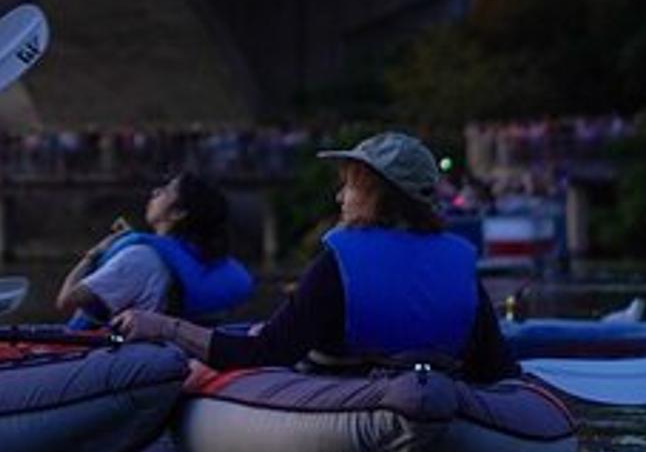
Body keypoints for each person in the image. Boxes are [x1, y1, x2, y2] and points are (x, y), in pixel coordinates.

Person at [112, 132, 520, 384]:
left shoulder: (341, 262)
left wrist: (163, 326)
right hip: (439, 406)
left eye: (350, 186)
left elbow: (265, 354)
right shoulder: (459, 263)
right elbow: (496, 368)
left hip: (352, 409)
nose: (340, 197)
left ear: (378, 195)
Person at [55, 171, 252, 325]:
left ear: (178, 213)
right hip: (169, 355)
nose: (154, 192)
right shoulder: (202, 260)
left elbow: (66, 301)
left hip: (120, 359)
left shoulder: (141, 257)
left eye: (165, 190)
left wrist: (93, 255)